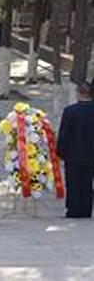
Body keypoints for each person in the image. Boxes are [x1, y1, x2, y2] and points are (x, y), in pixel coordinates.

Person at [57, 82, 94, 219]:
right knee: (87, 183)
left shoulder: (70, 111)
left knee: (73, 184)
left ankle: (73, 210)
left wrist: (60, 151)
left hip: (73, 154)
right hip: (91, 153)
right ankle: (86, 210)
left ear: (78, 94)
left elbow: (64, 134)